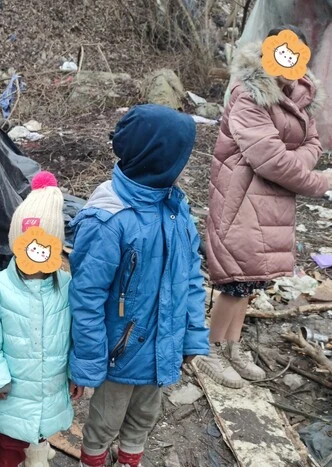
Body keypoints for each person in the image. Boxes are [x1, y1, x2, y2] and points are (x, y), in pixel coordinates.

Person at [69, 104, 210, 467]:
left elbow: (191, 277)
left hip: (162, 346)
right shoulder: (109, 218)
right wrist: (87, 362)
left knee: (143, 420)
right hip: (117, 354)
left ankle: (131, 459)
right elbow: (85, 296)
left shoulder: (175, 208)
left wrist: (192, 334)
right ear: (158, 158)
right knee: (104, 422)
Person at [202, 25, 332, 389]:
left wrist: (297, 160)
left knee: (252, 279)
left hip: (272, 203)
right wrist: (318, 180)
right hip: (241, 197)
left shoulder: (298, 95)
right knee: (234, 280)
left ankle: (232, 346)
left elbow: (314, 143)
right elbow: (271, 161)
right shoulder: (249, 95)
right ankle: (209, 350)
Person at [0, 171, 73, 467]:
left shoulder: (66, 286)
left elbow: (74, 336)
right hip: (13, 392)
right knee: (10, 444)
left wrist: (76, 373)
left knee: (42, 429)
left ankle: (40, 450)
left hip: (51, 385)